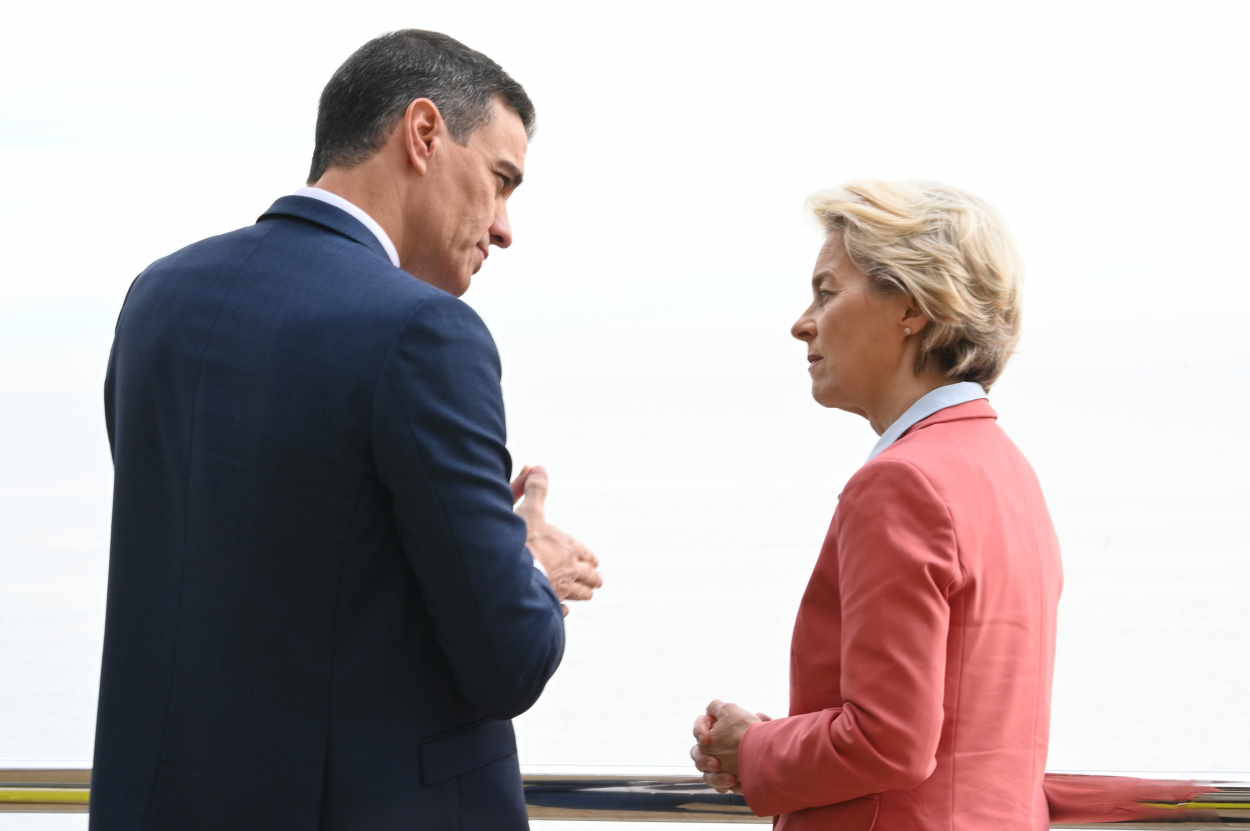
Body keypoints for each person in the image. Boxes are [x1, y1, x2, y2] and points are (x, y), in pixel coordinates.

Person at [90, 29, 602, 831]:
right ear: (424, 134)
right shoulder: (426, 332)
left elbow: (258, 570)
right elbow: (510, 659)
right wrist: (528, 561)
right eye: (501, 181)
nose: (504, 227)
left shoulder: (158, 300)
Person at [691, 181, 1062, 830]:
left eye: (827, 292)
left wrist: (752, 747)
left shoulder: (902, 482)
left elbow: (888, 738)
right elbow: (952, 736)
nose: (801, 321)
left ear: (912, 307)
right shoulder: (1010, 474)